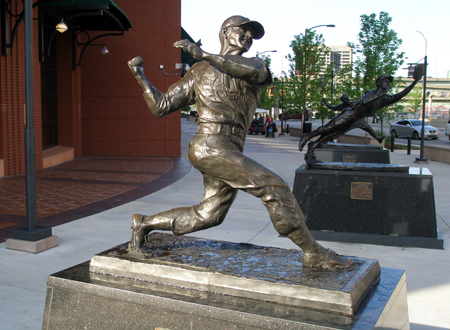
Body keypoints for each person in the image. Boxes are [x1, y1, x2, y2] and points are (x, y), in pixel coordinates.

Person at [127, 15, 354, 269]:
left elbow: (251, 70)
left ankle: (143, 223)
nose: (248, 36)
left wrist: (206, 55)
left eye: (252, 34)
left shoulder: (255, 66)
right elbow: (162, 106)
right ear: (225, 32)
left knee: (209, 215)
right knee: (274, 185)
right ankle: (313, 252)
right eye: (243, 30)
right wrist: (141, 78)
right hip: (209, 144)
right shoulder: (200, 71)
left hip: (232, 146)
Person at [300, 71, 424, 160]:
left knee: (332, 134)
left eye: (388, 82)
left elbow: (401, 94)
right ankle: (307, 136)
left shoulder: (385, 99)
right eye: (386, 81)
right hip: (351, 113)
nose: (388, 84)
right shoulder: (370, 93)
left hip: (357, 119)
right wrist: (380, 94)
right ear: (380, 83)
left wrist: (414, 83)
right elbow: (364, 102)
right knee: (328, 128)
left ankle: (313, 147)